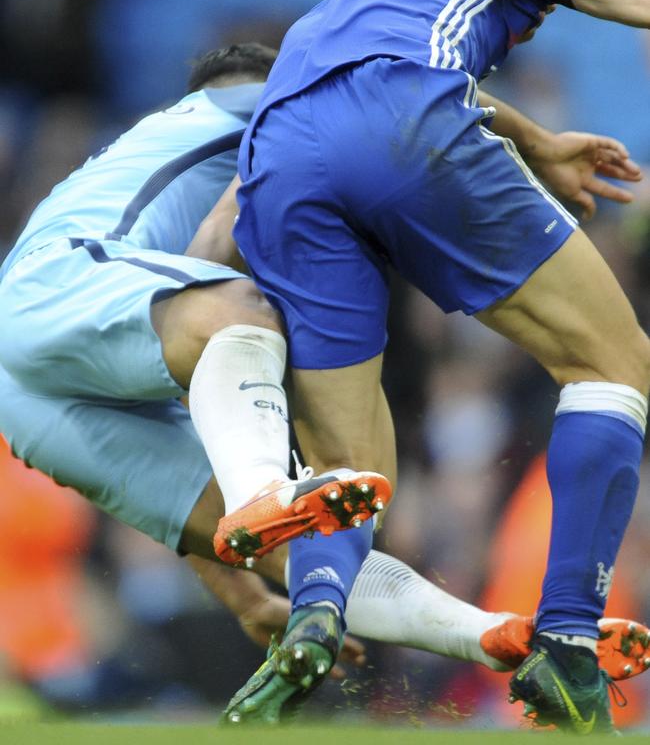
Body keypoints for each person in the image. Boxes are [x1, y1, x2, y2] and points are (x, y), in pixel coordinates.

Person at [1, 44, 647, 718]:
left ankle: (490, 634)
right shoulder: (256, 96)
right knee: (243, 311)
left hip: (25, 399)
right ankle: (268, 491)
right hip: (50, 287)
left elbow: (207, 530)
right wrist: (540, 142)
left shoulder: (155, 157)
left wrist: (247, 599)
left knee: (303, 553)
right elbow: (421, 95)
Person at [221, 0, 650, 732]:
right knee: (612, 358)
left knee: (350, 465)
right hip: (396, 118)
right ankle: (570, 645)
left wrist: (536, 143)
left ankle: (317, 615)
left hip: (277, 153)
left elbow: (371, 69)